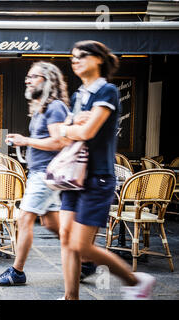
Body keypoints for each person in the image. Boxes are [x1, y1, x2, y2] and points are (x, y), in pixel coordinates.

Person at [56, 40, 156, 300]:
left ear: (99, 59)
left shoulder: (108, 91)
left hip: (98, 177)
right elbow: (65, 136)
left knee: (81, 245)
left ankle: (135, 280)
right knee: (66, 238)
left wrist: (69, 126)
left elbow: (86, 131)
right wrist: (71, 126)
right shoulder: (79, 96)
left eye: (82, 55)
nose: (75, 60)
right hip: (73, 176)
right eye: (72, 56)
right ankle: (71, 297)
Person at [0, 61, 69, 286]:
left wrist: (26, 140)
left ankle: (17, 272)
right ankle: (86, 259)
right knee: (52, 224)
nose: (28, 80)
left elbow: (59, 141)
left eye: (33, 76)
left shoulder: (55, 108)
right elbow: (46, 140)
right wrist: (24, 142)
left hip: (46, 174)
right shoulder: (42, 108)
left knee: (24, 218)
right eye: (28, 76)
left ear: (47, 80)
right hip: (41, 173)